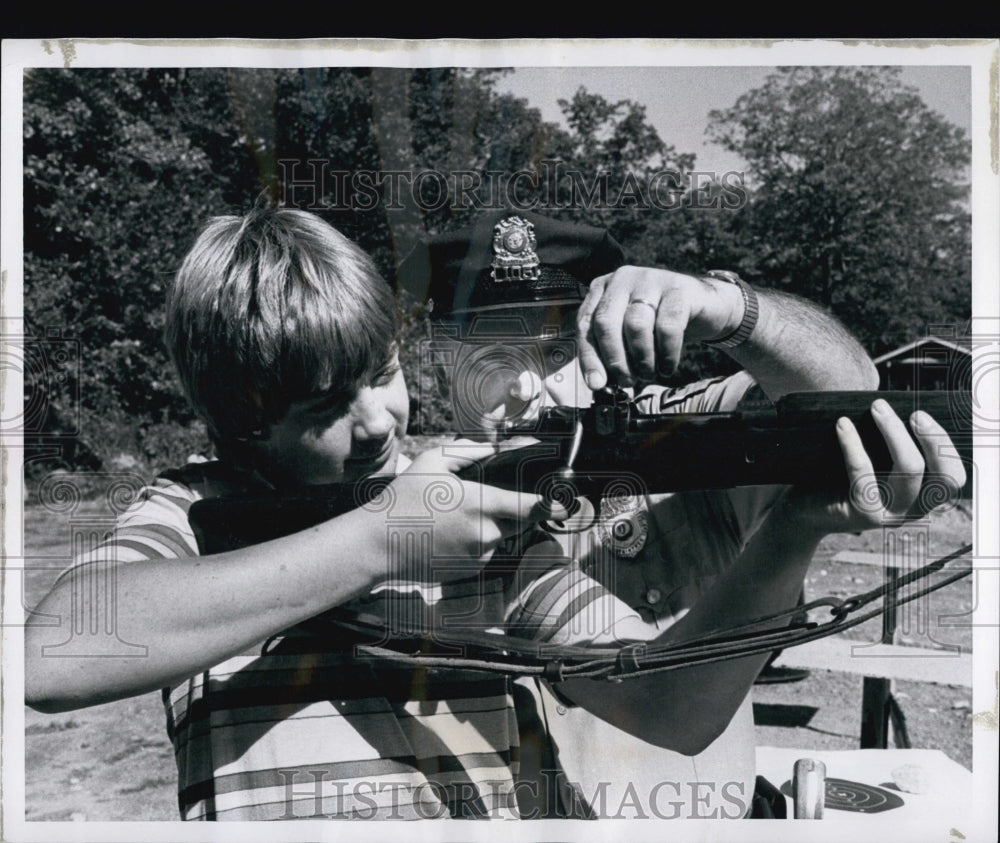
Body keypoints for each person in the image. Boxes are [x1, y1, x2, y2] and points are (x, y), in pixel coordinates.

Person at [398, 210, 967, 818]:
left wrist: (729, 310)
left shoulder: (671, 438)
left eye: (559, 349)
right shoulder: (407, 512)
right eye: (495, 356)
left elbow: (845, 386)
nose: (527, 389)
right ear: (441, 361)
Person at [24, 207, 572, 820]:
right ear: (241, 422)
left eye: (384, 373)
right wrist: (384, 541)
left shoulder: (450, 487)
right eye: (326, 405)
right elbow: (50, 658)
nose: (378, 422)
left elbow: (665, 710)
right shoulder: (198, 507)